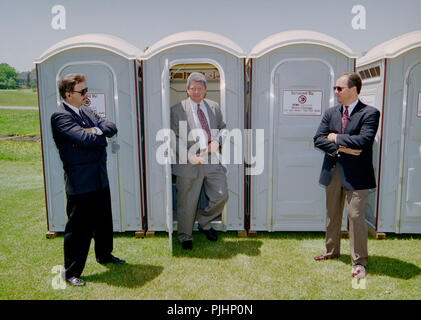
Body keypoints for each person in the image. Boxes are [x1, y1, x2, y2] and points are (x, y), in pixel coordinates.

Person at [51, 73, 125, 287]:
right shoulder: (61, 116)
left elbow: (111, 127)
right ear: (68, 94)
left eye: (86, 90)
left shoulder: (86, 110)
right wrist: (96, 135)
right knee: (79, 228)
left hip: (99, 177)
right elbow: (83, 140)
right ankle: (71, 272)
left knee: (103, 221)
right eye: (82, 91)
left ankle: (105, 255)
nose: (86, 94)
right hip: (80, 182)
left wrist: (94, 130)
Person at [313, 72, 380, 279]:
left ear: (353, 89)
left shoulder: (370, 113)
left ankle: (359, 262)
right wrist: (343, 148)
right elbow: (317, 139)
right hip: (332, 172)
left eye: (340, 88)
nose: (336, 91)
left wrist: (335, 137)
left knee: (356, 216)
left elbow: (364, 141)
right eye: (335, 88)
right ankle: (331, 251)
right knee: (332, 214)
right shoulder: (331, 113)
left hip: (357, 176)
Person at [170, 72, 229, 250]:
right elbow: (172, 136)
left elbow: (223, 128)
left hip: (211, 159)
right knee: (187, 201)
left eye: (200, 88)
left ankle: (205, 221)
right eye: (193, 88)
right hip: (188, 161)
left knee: (221, 194)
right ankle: (185, 235)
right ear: (187, 90)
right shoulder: (177, 109)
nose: (196, 91)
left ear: (205, 90)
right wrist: (188, 155)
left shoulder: (214, 106)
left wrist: (218, 141)